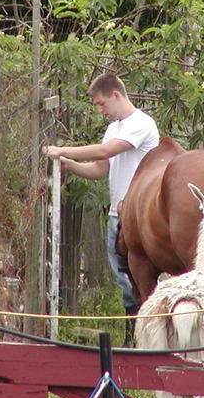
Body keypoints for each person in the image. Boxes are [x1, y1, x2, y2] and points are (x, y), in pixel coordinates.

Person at [45, 73, 159, 323]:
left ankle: (149, 328)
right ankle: (133, 331)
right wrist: (68, 163)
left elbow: (108, 150)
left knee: (140, 277)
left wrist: (61, 149)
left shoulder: (141, 123)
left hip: (139, 216)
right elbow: (100, 168)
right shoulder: (113, 129)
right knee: (123, 278)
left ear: (116, 95)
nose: (100, 110)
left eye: (101, 104)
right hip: (116, 215)